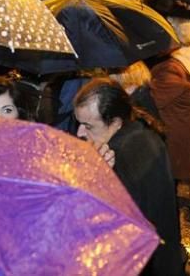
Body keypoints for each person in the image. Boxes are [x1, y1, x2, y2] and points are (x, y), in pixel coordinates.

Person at [73, 79, 183, 275]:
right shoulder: (143, 133)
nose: (80, 132)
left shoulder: (118, 156)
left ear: (115, 123)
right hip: (164, 258)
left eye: (88, 126)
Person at [150, 18, 190, 187]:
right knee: (173, 181)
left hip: (171, 135)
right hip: (186, 133)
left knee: (164, 182)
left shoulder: (174, 67)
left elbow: (155, 99)